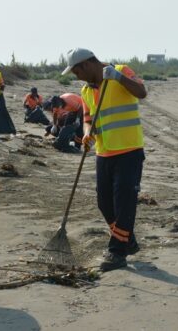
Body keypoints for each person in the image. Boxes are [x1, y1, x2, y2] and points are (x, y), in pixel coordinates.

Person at [62, 48, 147, 271]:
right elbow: (88, 118)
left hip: (129, 150)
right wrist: (88, 132)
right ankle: (127, 240)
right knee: (104, 203)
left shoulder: (121, 71)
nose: (76, 77)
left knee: (124, 202)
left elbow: (141, 92)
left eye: (76, 72)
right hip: (104, 152)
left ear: (87, 65)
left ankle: (116, 251)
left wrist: (118, 77)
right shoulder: (85, 90)